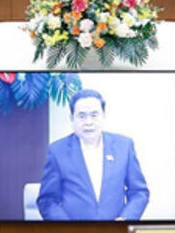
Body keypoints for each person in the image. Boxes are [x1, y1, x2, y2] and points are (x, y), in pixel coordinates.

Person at [37, 89, 149, 221]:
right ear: (72, 118)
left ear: (103, 115)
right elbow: (47, 201)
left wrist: (125, 219)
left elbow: (139, 192)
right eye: (82, 116)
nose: (88, 122)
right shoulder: (57, 151)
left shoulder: (124, 146)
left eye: (94, 115)